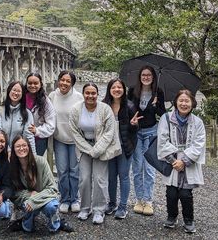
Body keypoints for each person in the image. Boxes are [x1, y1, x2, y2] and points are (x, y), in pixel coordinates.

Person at [69, 82, 122, 225]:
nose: (90, 96)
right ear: (83, 94)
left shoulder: (105, 109)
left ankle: (99, 209)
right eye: (87, 93)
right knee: (84, 178)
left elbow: (109, 132)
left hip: (102, 147)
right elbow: (75, 133)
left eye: (93, 93)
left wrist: (97, 150)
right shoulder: (76, 110)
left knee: (100, 179)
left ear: (97, 94)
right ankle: (85, 208)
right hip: (84, 146)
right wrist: (89, 149)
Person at [157, 89, 205, 233]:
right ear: (176, 102)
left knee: (185, 194)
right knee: (171, 192)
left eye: (187, 101)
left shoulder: (197, 122)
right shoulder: (166, 119)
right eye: (181, 100)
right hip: (171, 161)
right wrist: (174, 161)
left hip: (188, 163)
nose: (184, 103)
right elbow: (162, 141)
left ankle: (189, 220)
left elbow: (199, 144)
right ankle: (171, 216)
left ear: (192, 103)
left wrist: (183, 161)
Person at [8, 136, 74, 234]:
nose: (21, 148)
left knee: (51, 207)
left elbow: (52, 188)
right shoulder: (11, 166)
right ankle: (25, 225)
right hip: (26, 199)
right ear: (13, 149)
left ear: (29, 147)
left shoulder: (40, 161)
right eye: (18, 146)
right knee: (28, 207)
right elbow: (13, 193)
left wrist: (34, 199)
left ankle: (56, 224)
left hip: (45, 197)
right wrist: (29, 195)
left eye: (24, 145)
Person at [128, 65, 166, 216]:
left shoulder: (159, 92)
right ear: (140, 76)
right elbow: (128, 108)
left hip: (151, 131)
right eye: (143, 75)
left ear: (153, 77)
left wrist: (157, 106)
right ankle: (138, 199)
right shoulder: (132, 90)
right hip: (136, 131)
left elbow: (163, 113)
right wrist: (131, 120)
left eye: (149, 75)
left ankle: (148, 201)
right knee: (137, 167)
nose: (146, 77)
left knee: (149, 168)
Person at [102, 78, 140, 219]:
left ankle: (123, 206)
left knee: (123, 176)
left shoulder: (129, 106)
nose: (117, 90)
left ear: (123, 90)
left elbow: (134, 130)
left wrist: (133, 125)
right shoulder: (104, 105)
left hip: (125, 146)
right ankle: (112, 203)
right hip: (109, 147)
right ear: (109, 90)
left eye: (119, 87)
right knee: (111, 177)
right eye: (114, 87)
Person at [48, 70, 83, 214]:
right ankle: (64, 199)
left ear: (72, 83)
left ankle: (74, 199)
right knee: (62, 171)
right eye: (62, 80)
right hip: (59, 138)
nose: (64, 83)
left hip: (74, 139)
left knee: (74, 171)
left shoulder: (78, 97)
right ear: (58, 80)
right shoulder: (52, 96)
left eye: (68, 81)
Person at [0, 80, 36, 154]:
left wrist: (33, 156)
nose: (16, 93)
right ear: (9, 91)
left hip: (17, 153)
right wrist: (8, 151)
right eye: (14, 90)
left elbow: (29, 137)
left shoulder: (27, 113)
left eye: (19, 91)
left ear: (22, 94)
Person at [24, 73, 56, 156]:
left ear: (41, 84)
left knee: (35, 164)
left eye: (36, 83)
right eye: (30, 83)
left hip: (39, 140)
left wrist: (37, 130)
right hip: (22, 139)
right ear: (26, 83)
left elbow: (51, 125)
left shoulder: (45, 101)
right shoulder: (21, 97)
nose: (32, 85)